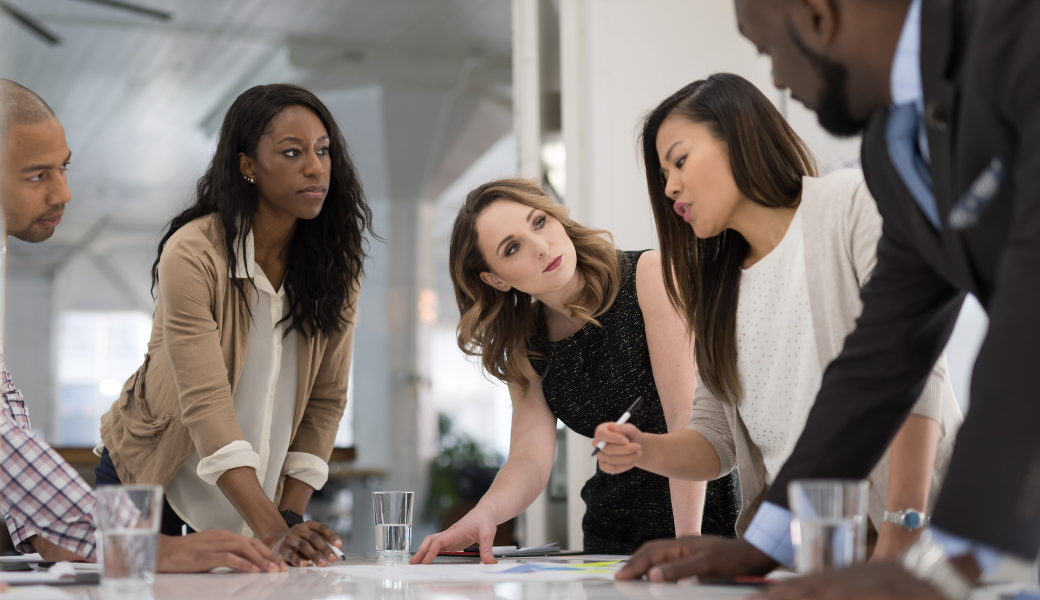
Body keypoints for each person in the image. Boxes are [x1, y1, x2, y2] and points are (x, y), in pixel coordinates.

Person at [621, 0, 1040, 597]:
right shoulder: (893, 155)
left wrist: (949, 561)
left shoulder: (1018, 33)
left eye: (769, 51)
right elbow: (878, 364)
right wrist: (761, 545)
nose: (780, 81)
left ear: (818, 16)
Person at [592, 73, 961, 562]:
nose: (670, 188)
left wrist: (901, 532)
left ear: (739, 136)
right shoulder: (715, 291)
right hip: (805, 553)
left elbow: (916, 372)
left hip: (921, 542)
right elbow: (716, 440)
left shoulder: (851, 204)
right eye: (663, 176)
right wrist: (643, 449)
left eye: (679, 161)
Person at [0, 77, 284, 573]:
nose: (63, 192)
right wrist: (131, 543)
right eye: (36, 176)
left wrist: (41, 529)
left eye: (64, 167)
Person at [95, 83, 372, 569]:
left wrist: (287, 517)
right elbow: (205, 403)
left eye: (323, 150)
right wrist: (275, 531)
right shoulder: (194, 253)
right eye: (292, 152)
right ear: (248, 165)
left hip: (257, 503)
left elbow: (327, 401)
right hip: (153, 486)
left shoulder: (336, 268)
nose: (315, 167)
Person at [411, 178, 740, 564]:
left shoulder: (648, 275)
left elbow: (684, 419)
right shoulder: (526, 342)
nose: (541, 247)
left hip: (705, 528)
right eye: (512, 247)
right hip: (609, 540)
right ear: (495, 279)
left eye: (539, 222)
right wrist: (484, 514)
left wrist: (688, 538)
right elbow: (529, 460)